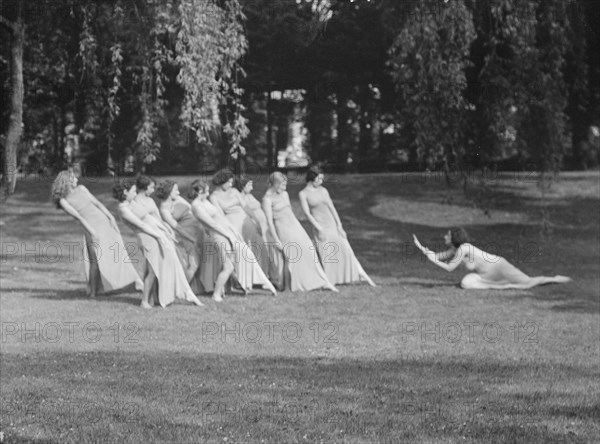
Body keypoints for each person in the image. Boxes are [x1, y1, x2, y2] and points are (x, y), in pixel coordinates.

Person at [51, 170, 142, 297]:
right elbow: (78, 217)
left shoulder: (82, 189)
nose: (77, 179)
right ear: (66, 181)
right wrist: (91, 231)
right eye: (73, 178)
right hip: (90, 227)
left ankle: (133, 281)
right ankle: (93, 292)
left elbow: (97, 203)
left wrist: (111, 217)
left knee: (117, 252)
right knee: (95, 260)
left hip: (104, 222)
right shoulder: (63, 201)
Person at [113, 180, 203, 308]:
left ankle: (177, 293)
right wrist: (158, 235)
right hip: (147, 237)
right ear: (125, 192)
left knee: (166, 263)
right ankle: (145, 301)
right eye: (133, 191)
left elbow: (151, 218)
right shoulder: (123, 209)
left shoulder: (131, 203)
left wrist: (164, 229)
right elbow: (142, 225)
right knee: (153, 270)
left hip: (155, 233)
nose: (135, 193)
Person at [190, 179, 277, 301]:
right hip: (219, 235)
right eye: (206, 191)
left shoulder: (204, 201)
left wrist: (233, 231)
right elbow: (212, 224)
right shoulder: (196, 206)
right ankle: (217, 294)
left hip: (226, 232)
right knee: (229, 266)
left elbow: (220, 217)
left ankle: (260, 282)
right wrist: (228, 235)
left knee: (245, 254)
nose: (208, 194)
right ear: (200, 191)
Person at [413, 227, 572, 289]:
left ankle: (555, 279)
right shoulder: (457, 249)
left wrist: (431, 258)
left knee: (527, 283)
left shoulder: (463, 248)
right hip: (489, 273)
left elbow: (448, 268)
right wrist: (422, 249)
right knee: (518, 284)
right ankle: (506, 284)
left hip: (499, 267)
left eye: (447, 235)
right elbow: (440, 256)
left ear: (453, 237)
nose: (444, 236)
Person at [299, 166, 376, 287]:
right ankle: (330, 280)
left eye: (322, 179)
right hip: (319, 225)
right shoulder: (303, 194)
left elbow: (332, 208)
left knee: (344, 249)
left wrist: (339, 226)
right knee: (327, 253)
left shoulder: (323, 190)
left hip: (331, 224)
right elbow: (307, 214)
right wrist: (319, 228)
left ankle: (353, 275)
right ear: (311, 178)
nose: (321, 182)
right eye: (319, 179)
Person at [262, 172, 338, 292]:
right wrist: (276, 239)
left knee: (309, 250)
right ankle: (287, 287)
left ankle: (320, 281)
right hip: (282, 228)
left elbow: (290, 212)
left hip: (294, 225)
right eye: (283, 184)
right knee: (290, 256)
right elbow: (270, 222)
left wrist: (298, 226)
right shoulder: (267, 199)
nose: (285, 187)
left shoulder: (285, 194)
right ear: (276, 184)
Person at [210, 169, 271, 277]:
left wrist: (256, 220)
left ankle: (263, 275)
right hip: (231, 224)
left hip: (246, 221)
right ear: (221, 181)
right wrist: (228, 229)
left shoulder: (234, 191)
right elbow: (220, 215)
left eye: (231, 182)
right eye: (228, 182)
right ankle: (244, 277)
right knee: (240, 252)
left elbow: (246, 207)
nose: (230, 184)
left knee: (259, 245)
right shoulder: (214, 196)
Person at [155, 180, 206, 294]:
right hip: (185, 235)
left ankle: (193, 288)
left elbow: (191, 209)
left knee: (199, 262)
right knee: (193, 264)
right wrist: (191, 239)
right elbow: (176, 227)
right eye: (175, 190)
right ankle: (181, 290)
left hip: (196, 230)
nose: (178, 192)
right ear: (169, 191)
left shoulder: (177, 199)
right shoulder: (164, 209)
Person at [236, 175, 281, 282]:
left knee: (270, 250)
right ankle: (265, 277)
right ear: (243, 186)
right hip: (255, 226)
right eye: (249, 184)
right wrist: (256, 223)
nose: (252, 186)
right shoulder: (240, 197)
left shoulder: (250, 196)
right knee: (262, 251)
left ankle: (272, 275)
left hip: (264, 226)